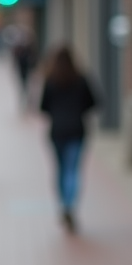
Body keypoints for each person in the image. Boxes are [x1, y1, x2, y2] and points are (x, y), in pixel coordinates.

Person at [39, 46, 99, 233]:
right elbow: (94, 102)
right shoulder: (81, 79)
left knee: (61, 170)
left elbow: (43, 107)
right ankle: (70, 205)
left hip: (57, 131)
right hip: (76, 130)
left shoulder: (50, 80)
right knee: (72, 170)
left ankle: (64, 204)